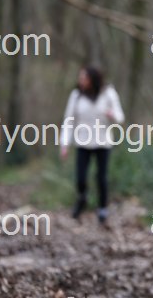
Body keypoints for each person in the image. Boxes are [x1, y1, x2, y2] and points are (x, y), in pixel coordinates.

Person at [60, 66, 125, 226]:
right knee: (81, 177)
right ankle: (82, 198)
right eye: (80, 78)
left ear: (93, 79)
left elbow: (120, 117)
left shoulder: (108, 93)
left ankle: (102, 209)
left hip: (103, 142)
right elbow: (69, 120)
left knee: (101, 177)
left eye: (84, 78)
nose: (81, 81)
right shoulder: (76, 96)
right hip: (83, 142)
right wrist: (64, 144)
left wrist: (112, 115)